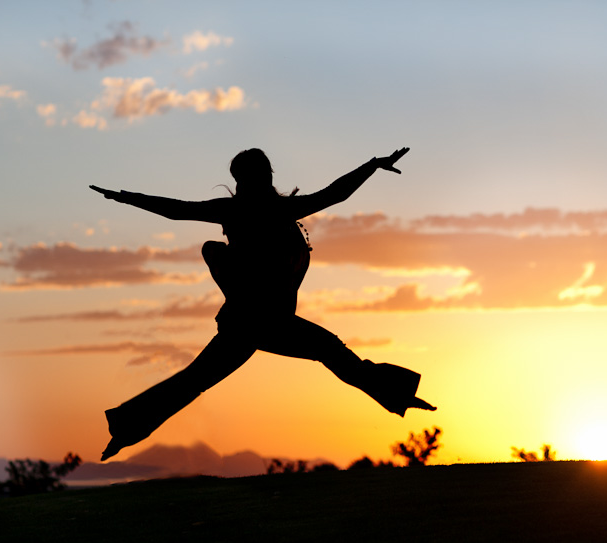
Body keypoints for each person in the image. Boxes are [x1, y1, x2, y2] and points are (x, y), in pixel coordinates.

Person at [90, 147, 434, 461]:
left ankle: (123, 431)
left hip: (247, 323)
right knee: (331, 351)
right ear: (261, 176)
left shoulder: (252, 210)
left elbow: (178, 211)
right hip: (263, 321)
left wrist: (128, 198)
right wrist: (129, 198)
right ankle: (399, 395)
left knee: (196, 379)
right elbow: (178, 211)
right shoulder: (274, 210)